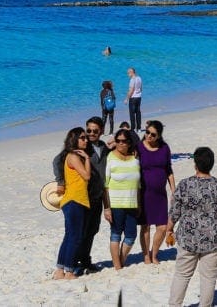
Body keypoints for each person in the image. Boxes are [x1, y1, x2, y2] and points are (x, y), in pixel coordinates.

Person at [166, 147, 217, 307]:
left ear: (195, 164)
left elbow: (174, 212)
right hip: (214, 239)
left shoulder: (185, 184)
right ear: (211, 164)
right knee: (208, 278)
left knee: (182, 275)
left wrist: (169, 229)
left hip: (188, 238)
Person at [52, 127, 91, 280]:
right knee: (75, 236)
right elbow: (87, 176)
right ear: (74, 139)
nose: (85, 140)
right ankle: (69, 271)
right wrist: (87, 159)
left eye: (85, 138)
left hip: (71, 200)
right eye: (82, 137)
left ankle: (60, 270)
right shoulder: (74, 157)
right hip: (75, 199)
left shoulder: (70, 156)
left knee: (69, 235)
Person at [74, 117, 109, 275]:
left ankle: (85, 260)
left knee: (93, 230)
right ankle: (75, 262)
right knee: (81, 231)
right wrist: (60, 182)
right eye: (88, 130)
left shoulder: (105, 148)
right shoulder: (81, 148)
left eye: (95, 131)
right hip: (83, 196)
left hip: (98, 195)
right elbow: (58, 161)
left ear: (101, 131)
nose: (91, 133)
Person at [137, 119, 175, 264]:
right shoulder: (139, 147)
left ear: (159, 136)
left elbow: (168, 170)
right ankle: (146, 256)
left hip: (160, 194)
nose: (149, 136)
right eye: (147, 133)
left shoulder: (164, 148)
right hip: (144, 193)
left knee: (163, 226)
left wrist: (173, 190)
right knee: (145, 226)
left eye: (153, 134)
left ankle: (154, 253)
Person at [103, 127, 141, 270]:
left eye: (124, 141)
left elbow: (139, 185)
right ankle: (118, 266)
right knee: (116, 234)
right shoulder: (110, 157)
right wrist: (106, 208)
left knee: (131, 236)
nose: (120, 144)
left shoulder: (135, 158)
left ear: (129, 143)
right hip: (116, 203)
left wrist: (139, 205)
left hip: (132, 203)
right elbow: (105, 185)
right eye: (118, 141)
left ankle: (121, 259)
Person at [125, 67, 143, 131]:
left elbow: (131, 90)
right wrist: (139, 93)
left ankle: (133, 128)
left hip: (133, 98)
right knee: (138, 112)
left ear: (131, 72)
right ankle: (139, 128)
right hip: (139, 97)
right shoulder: (139, 78)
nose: (128, 75)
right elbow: (141, 88)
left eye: (128, 73)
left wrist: (127, 99)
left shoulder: (132, 80)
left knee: (132, 113)